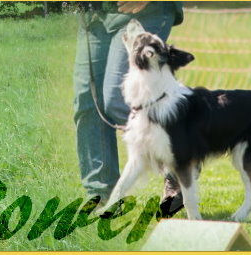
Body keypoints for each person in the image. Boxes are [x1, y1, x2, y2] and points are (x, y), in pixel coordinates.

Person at [72, 1, 185, 216]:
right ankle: (101, 194)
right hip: (95, 14)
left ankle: (179, 160)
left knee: (117, 99)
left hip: (146, 10)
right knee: (87, 102)